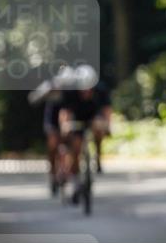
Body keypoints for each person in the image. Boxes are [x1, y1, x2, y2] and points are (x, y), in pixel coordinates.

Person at [31, 65, 112, 193]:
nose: (85, 92)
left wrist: (107, 125)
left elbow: (106, 111)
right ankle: (55, 175)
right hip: (56, 117)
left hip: (84, 115)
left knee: (93, 133)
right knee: (56, 143)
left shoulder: (99, 91)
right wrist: (65, 127)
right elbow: (64, 113)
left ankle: (94, 160)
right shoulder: (64, 91)